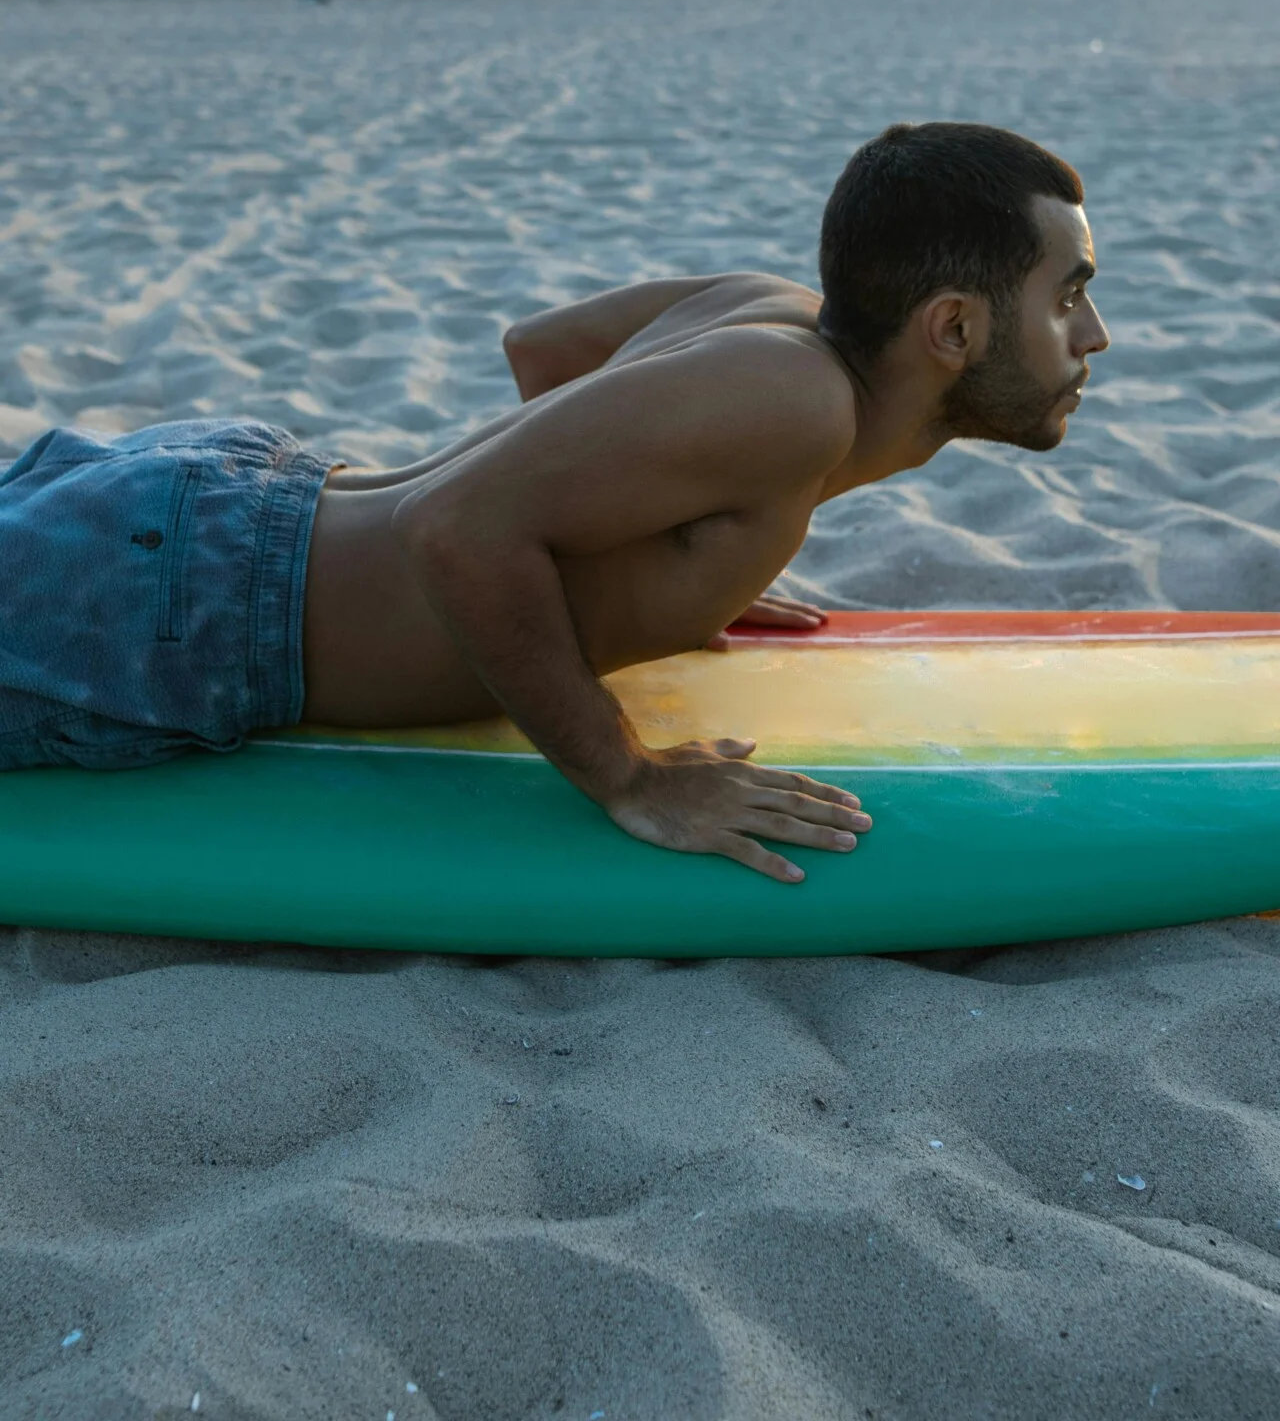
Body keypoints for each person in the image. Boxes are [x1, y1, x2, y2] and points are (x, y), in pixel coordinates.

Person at [0, 123, 1108, 884]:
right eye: (1066, 300)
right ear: (953, 330)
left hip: (220, 510)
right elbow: (455, 529)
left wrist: (654, 538)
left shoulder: (767, 316)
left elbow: (543, 349)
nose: (1091, 338)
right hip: (191, 609)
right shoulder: (795, 402)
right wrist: (623, 777)